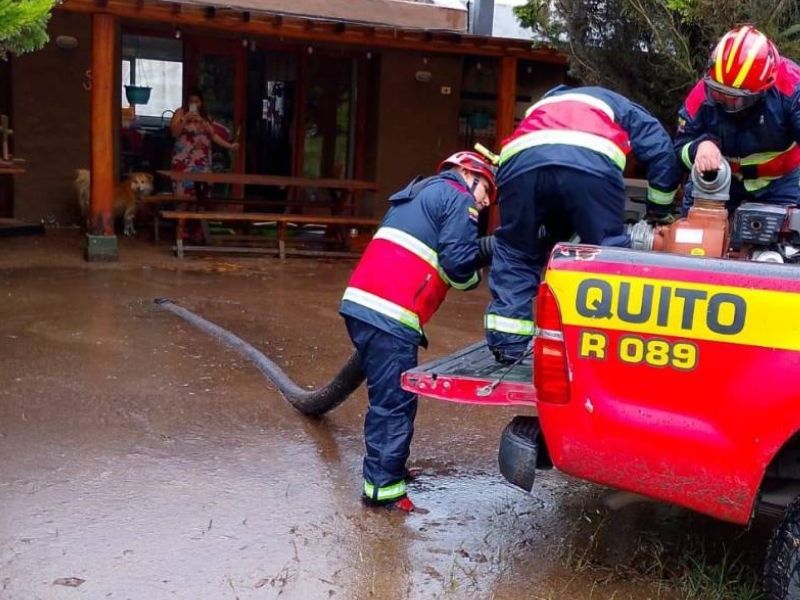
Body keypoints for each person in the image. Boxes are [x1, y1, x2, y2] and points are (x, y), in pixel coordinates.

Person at [339, 152, 497, 512]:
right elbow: (458, 266)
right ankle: (384, 492)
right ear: (466, 174)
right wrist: (474, 276)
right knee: (394, 403)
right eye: (486, 189)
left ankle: (387, 468)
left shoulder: (419, 193)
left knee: (388, 396)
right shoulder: (458, 197)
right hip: (390, 314)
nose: (486, 201)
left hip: (363, 305)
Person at [484, 84, 681, 364]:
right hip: (590, 160)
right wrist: (659, 211)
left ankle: (508, 346)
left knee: (516, 250)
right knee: (607, 254)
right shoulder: (614, 102)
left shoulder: (542, 106)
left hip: (520, 161)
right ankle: (605, 349)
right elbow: (659, 148)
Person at [675, 25, 800, 215]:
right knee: (695, 235)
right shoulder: (701, 95)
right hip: (718, 182)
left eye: (733, 98)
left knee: (788, 238)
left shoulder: (791, 88)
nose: (722, 100)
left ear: (760, 91)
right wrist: (698, 148)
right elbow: (678, 149)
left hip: (781, 184)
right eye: (717, 91)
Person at [169, 91, 239, 198]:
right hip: (184, 158)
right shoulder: (181, 113)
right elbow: (174, 133)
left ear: (201, 103)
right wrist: (185, 119)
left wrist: (229, 146)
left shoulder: (206, 117)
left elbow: (214, 136)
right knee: (183, 192)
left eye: (196, 101)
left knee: (202, 192)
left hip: (201, 160)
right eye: (191, 101)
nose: (193, 104)